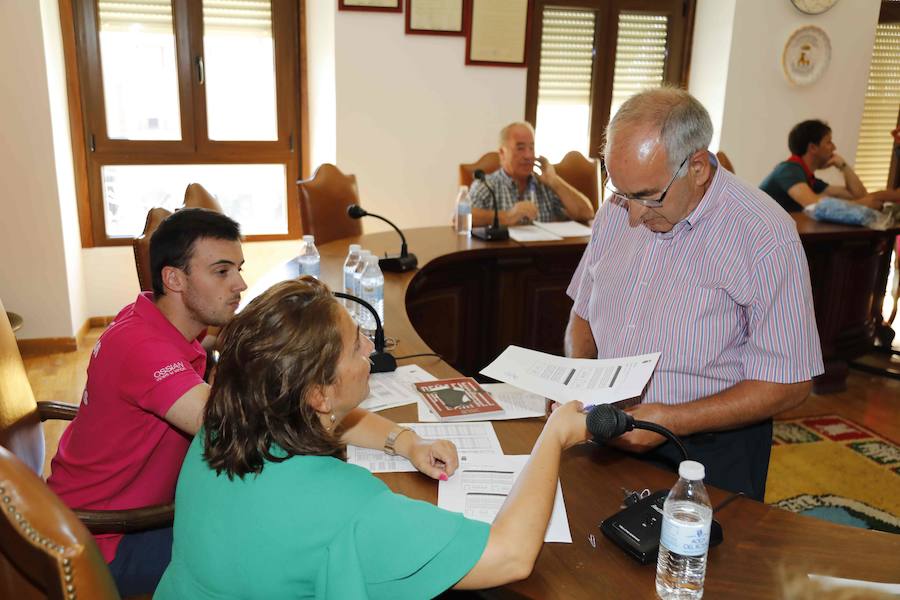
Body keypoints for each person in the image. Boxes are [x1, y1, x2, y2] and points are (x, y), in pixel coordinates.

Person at [47, 209, 459, 597]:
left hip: (124, 510)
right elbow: (253, 423)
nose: (240, 284)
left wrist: (406, 443)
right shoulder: (143, 349)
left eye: (238, 269)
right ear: (173, 278)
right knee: (311, 552)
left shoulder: (158, 322)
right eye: (221, 271)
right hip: (103, 540)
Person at [155, 277, 590, 599]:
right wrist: (551, 437)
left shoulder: (227, 421)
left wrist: (405, 441)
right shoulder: (349, 508)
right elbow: (510, 555)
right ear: (318, 393)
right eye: (354, 346)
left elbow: (331, 417)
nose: (368, 347)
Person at [565, 88, 824, 501]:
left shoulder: (764, 234)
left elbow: (789, 381)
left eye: (648, 197)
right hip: (609, 432)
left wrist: (672, 419)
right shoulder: (618, 207)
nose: (631, 214)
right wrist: (577, 378)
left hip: (709, 452)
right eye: (621, 192)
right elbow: (583, 311)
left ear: (698, 168)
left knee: (694, 561)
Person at [469, 121, 595, 227]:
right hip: (500, 255)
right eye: (520, 148)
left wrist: (554, 181)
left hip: (544, 254)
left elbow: (587, 213)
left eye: (531, 148)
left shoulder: (545, 185)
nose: (528, 155)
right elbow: (462, 216)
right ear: (502, 153)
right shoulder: (486, 184)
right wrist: (507, 216)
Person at [759, 119, 900, 212]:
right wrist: (862, 205)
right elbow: (814, 205)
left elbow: (858, 194)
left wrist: (843, 166)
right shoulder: (788, 170)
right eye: (828, 142)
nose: (834, 147)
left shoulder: (808, 179)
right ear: (813, 148)